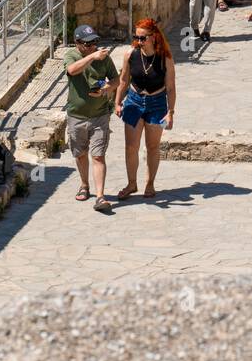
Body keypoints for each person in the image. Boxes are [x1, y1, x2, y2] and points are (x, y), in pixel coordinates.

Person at [115, 17, 176, 200]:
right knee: (131, 147)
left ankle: (150, 184)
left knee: (152, 146)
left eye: (143, 38)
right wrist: (117, 102)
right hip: (133, 101)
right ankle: (131, 183)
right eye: (136, 37)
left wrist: (170, 112)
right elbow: (124, 81)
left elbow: (171, 88)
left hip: (157, 103)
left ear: (153, 37)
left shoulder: (164, 58)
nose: (139, 41)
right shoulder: (130, 54)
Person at [63, 24, 119, 214]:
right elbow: (72, 70)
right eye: (88, 44)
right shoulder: (72, 55)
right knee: (80, 153)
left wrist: (106, 89)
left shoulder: (104, 58)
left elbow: (116, 80)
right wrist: (91, 57)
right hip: (76, 116)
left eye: (94, 42)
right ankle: (84, 185)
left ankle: (101, 196)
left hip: (100, 115)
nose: (93, 46)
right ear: (77, 43)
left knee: (98, 155)